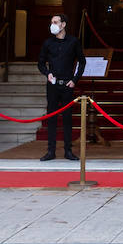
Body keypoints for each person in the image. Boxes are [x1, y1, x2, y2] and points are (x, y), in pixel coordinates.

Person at [37, 14, 86, 161]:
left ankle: (68, 151)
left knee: (67, 118)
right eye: (51, 22)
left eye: (55, 22)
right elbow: (40, 62)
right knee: (51, 117)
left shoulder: (73, 42)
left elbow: (82, 62)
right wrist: (47, 74)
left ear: (63, 24)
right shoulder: (47, 43)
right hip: (52, 85)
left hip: (67, 84)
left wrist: (74, 80)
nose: (52, 24)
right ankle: (51, 151)